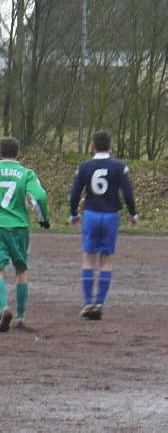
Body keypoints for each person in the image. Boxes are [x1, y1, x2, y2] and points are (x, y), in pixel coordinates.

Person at [0, 137, 50, 332]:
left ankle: (4, 307)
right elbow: (39, 196)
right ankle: (21, 317)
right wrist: (43, 218)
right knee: (21, 271)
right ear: (18, 153)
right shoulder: (27, 173)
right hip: (20, 227)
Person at [69, 130, 138, 321]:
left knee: (88, 258)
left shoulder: (85, 166)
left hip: (91, 215)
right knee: (106, 260)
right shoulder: (119, 166)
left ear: (93, 146)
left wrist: (73, 213)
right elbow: (128, 193)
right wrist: (133, 213)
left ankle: (87, 302)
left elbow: (75, 193)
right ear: (111, 146)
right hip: (110, 216)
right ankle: (99, 303)